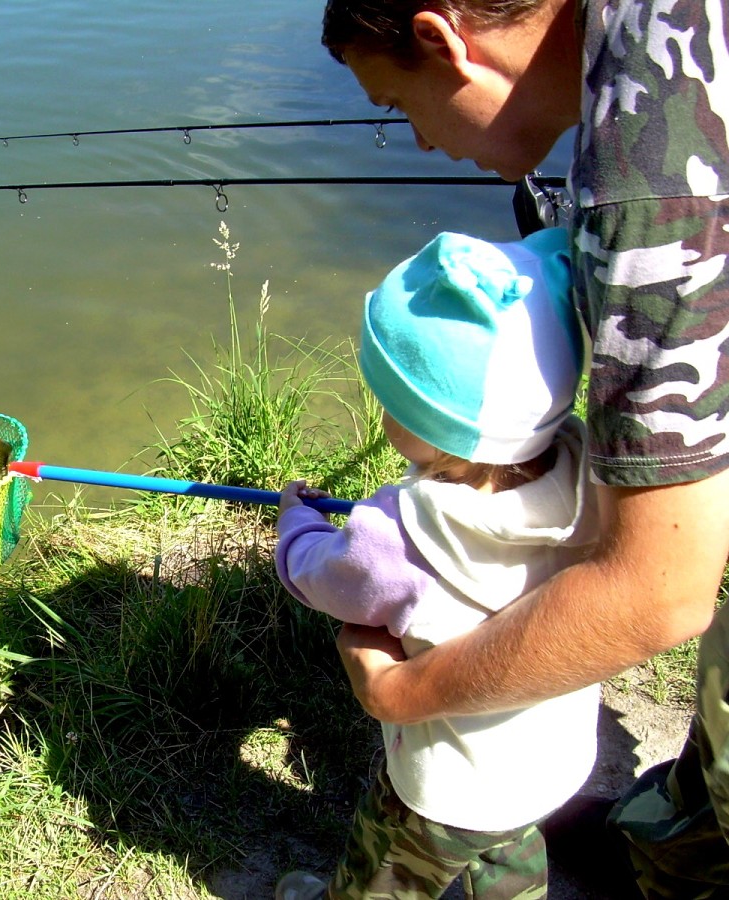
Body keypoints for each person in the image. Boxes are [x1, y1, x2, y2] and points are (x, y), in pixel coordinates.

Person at [292, 0, 729, 896]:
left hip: (443, 786)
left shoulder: (649, 183)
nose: (417, 141)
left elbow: (660, 596)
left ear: (440, 39)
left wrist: (398, 694)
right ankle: (679, 835)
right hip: (544, 769)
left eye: (397, 106)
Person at [274, 226, 598, 898]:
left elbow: (321, 576)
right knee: (508, 849)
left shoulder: (395, 532)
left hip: (449, 780)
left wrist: (294, 521)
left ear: (426, 422)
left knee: (387, 856)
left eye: (393, 395)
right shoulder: (594, 478)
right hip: (547, 761)